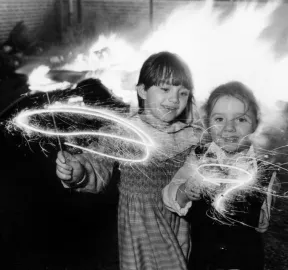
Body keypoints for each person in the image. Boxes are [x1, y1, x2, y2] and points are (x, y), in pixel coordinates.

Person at [56, 51, 202, 270]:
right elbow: (97, 162)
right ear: (142, 90)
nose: (174, 99)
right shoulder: (125, 131)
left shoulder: (190, 135)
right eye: (165, 89)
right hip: (141, 227)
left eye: (182, 93)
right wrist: (78, 170)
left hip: (176, 222)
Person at [163, 81, 280, 270]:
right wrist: (186, 190)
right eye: (219, 119)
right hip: (204, 261)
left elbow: (263, 216)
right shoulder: (198, 158)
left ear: (255, 124)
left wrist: (261, 213)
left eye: (241, 119)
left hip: (246, 260)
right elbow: (170, 195)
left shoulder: (262, 168)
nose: (229, 128)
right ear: (207, 122)